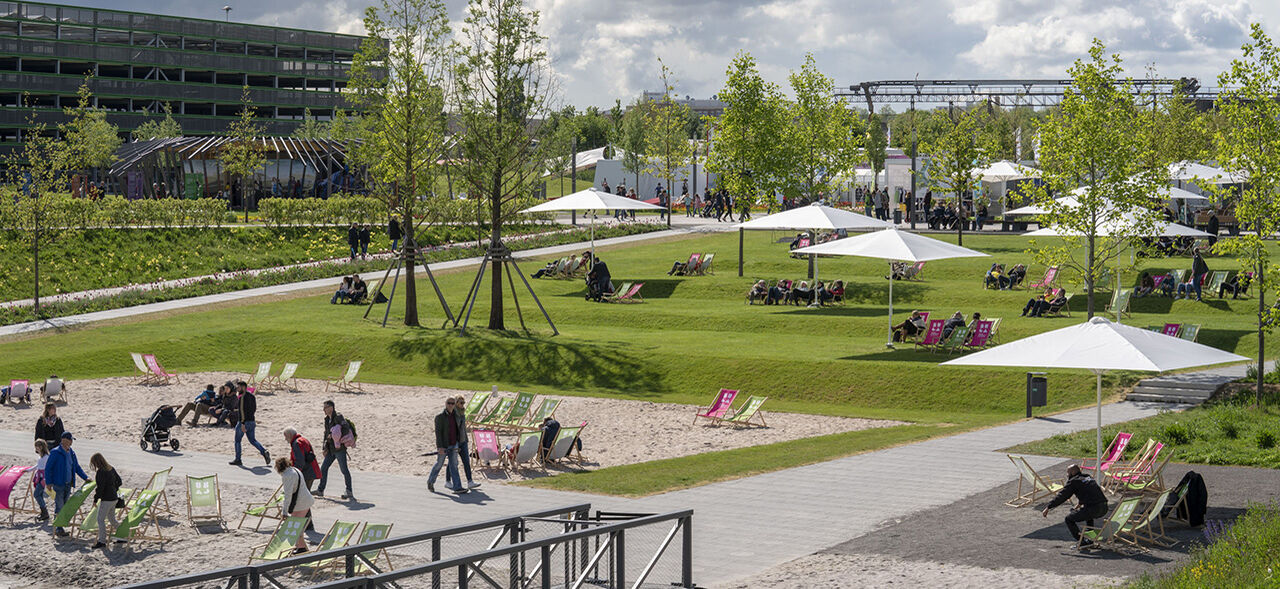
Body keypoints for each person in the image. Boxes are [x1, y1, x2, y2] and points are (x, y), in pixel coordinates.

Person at [1041, 464, 1109, 548]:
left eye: (1068, 472)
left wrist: (1048, 507)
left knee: (1069, 519)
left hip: (1094, 509)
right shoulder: (1087, 477)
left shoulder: (1074, 481)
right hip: (1104, 507)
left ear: (1073, 472)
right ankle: (1090, 539)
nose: (1067, 474)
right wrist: (1078, 505)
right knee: (1087, 514)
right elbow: (1089, 493)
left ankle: (1082, 541)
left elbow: (1062, 496)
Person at [46, 432, 89, 536]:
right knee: (59, 505)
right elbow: (48, 468)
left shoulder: (72, 453)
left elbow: (77, 467)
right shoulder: (55, 452)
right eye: (70, 440)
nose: (71, 442)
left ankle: (60, 526)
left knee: (64, 505)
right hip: (58, 484)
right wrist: (48, 483)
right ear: (64, 440)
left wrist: (85, 477)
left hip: (68, 484)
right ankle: (58, 528)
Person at [317, 400, 355, 500]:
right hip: (330, 449)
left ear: (331, 408)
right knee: (323, 468)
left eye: (325, 407)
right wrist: (324, 447)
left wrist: (334, 433)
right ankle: (320, 490)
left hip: (339, 449)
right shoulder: (326, 419)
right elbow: (325, 434)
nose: (323, 410)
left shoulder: (338, 417)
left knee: (344, 470)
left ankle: (349, 491)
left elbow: (346, 429)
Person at [275, 457, 314, 554]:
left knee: (294, 526)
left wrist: (284, 511)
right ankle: (301, 547)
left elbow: (288, 495)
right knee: (295, 526)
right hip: (304, 500)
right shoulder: (294, 470)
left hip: (301, 503)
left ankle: (302, 549)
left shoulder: (287, 475)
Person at [428, 398, 466, 493]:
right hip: (444, 446)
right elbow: (438, 433)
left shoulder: (456, 415)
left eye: (452, 403)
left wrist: (460, 442)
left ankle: (457, 487)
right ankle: (430, 481)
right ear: (445, 404)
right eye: (449, 403)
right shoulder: (440, 417)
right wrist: (440, 447)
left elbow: (460, 429)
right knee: (439, 464)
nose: (450, 405)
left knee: (454, 465)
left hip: (454, 444)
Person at [229, 382, 270, 466]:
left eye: (239, 387)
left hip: (243, 422)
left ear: (243, 387)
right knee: (252, 440)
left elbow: (242, 411)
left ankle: (238, 459)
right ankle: (264, 451)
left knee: (237, 441)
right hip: (252, 421)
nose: (237, 389)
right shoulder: (252, 396)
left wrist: (243, 423)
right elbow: (254, 408)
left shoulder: (242, 397)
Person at [89, 453, 123, 548]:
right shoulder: (111, 468)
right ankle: (122, 536)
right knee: (112, 519)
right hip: (114, 498)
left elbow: (100, 488)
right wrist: (113, 488)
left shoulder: (101, 472)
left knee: (100, 520)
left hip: (107, 499)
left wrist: (95, 499)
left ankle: (102, 541)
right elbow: (119, 481)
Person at [453, 395, 480, 489]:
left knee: (466, 462)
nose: (463, 405)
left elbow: (463, 428)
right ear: (456, 403)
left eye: (464, 403)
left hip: (463, 440)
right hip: (456, 441)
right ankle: (448, 481)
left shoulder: (462, 412)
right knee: (453, 463)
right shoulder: (454, 413)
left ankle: (470, 481)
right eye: (461, 403)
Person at [32, 439, 50, 521]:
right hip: (39, 477)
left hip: (43, 478)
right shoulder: (40, 457)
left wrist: (46, 479)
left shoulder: (46, 457)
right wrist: (28, 470)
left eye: (38, 446)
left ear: (42, 447)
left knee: (36, 494)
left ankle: (45, 512)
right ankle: (44, 513)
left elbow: (49, 468)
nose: (36, 448)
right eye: (36, 446)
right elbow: (37, 466)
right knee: (39, 495)